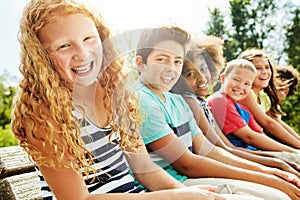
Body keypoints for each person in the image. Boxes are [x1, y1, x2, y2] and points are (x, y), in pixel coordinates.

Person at [10, 1, 228, 200]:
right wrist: (172, 198)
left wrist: (186, 193)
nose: (84, 54)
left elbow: (146, 170)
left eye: (89, 39)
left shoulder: (113, 93)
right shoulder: (41, 115)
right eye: (64, 46)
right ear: (41, 56)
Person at [134, 26, 300, 199]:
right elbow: (187, 164)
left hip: (194, 177)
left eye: (177, 61)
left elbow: (210, 150)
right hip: (174, 184)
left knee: (280, 190)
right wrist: (269, 177)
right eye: (162, 59)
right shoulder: (143, 101)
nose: (171, 68)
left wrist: (268, 171)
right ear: (141, 63)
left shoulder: (177, 101)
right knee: (278, 195)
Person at [171, 36, 300, 177]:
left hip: (237, 157)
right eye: (190, 73)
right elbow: (233, 145)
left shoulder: (203, 102)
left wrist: (275, 160)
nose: (201, 77)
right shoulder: (214, 102)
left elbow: (230, 146)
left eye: (204, 69)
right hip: (216, 166)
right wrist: (275, 162)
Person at [237, 49, 300, 149]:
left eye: (267, 67)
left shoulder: (264, 97)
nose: (265, 72)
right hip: (245, 146)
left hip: (258, 144)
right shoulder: (245, 94)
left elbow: (277, 122)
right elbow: (268, 124)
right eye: (258, 68)